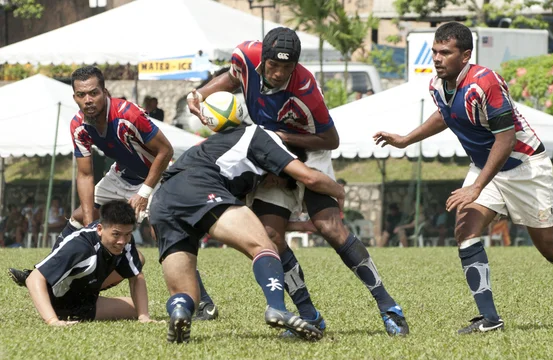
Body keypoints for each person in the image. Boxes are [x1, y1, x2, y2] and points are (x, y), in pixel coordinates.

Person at [187, 27, 409, 337]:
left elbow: (330, 140)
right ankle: (309, 314)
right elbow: (234, 75)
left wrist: (278, 138)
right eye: (273, 66)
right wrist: (202, 93)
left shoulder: (305, 90)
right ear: (262, 58)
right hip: (270, 157)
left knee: (330, 228)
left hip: (309, 156)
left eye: (286, 68)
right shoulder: (246, 56)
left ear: (296, 65)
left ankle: (389, 307)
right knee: (268, 236)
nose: (278, 74)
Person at [373, 22, 553, 334]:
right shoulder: (437, 85)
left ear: (465, 56)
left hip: (525, 167)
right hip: (485, 167)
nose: (436, 58)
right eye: (435, 51)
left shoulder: (484, 82)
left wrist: (476, 187)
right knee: (465, 229)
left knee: (549, 245)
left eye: (445, 53)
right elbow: (446, 115)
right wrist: (406, 139)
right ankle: (490, 318)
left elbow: (506, 139)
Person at [150, 122, 346, 343]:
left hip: (162, 201)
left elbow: (236, 222)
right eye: (282, 180)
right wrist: (340, 191)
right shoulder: (262, 137)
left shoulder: (227, 152)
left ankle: (179, 311)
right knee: (264, 247)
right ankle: (277, 308)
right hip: (199, 185)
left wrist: (302, 226)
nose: (274, 184)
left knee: (188, 297)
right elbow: (310, 177)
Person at [58, 66, 218, 321]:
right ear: (75, 97)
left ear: (105, 92)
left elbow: (165, 151)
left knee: (163, 233)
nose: (88, 100)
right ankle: (48, 274)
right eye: (81, 95)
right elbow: (85, 175)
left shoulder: (127, 114)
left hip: (157, 175)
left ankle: (203, 303)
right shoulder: (78, 125)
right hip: (122, 175)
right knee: (80, 215)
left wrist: (144, 192)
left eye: (93, 93)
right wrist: (90, 222)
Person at [10, 201, 155, 326]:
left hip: (86, 295)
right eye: (116, 234)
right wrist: (52, 320)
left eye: (127, 234)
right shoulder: (79, 247)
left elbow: (136, 277)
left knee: (137, 306)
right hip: (62, 303)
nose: (122, 241)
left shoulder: (124, 240)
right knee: (41, 279)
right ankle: (52, 287)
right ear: (100, 229)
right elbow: (34, 279)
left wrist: (144, 316)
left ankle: (90, 289)